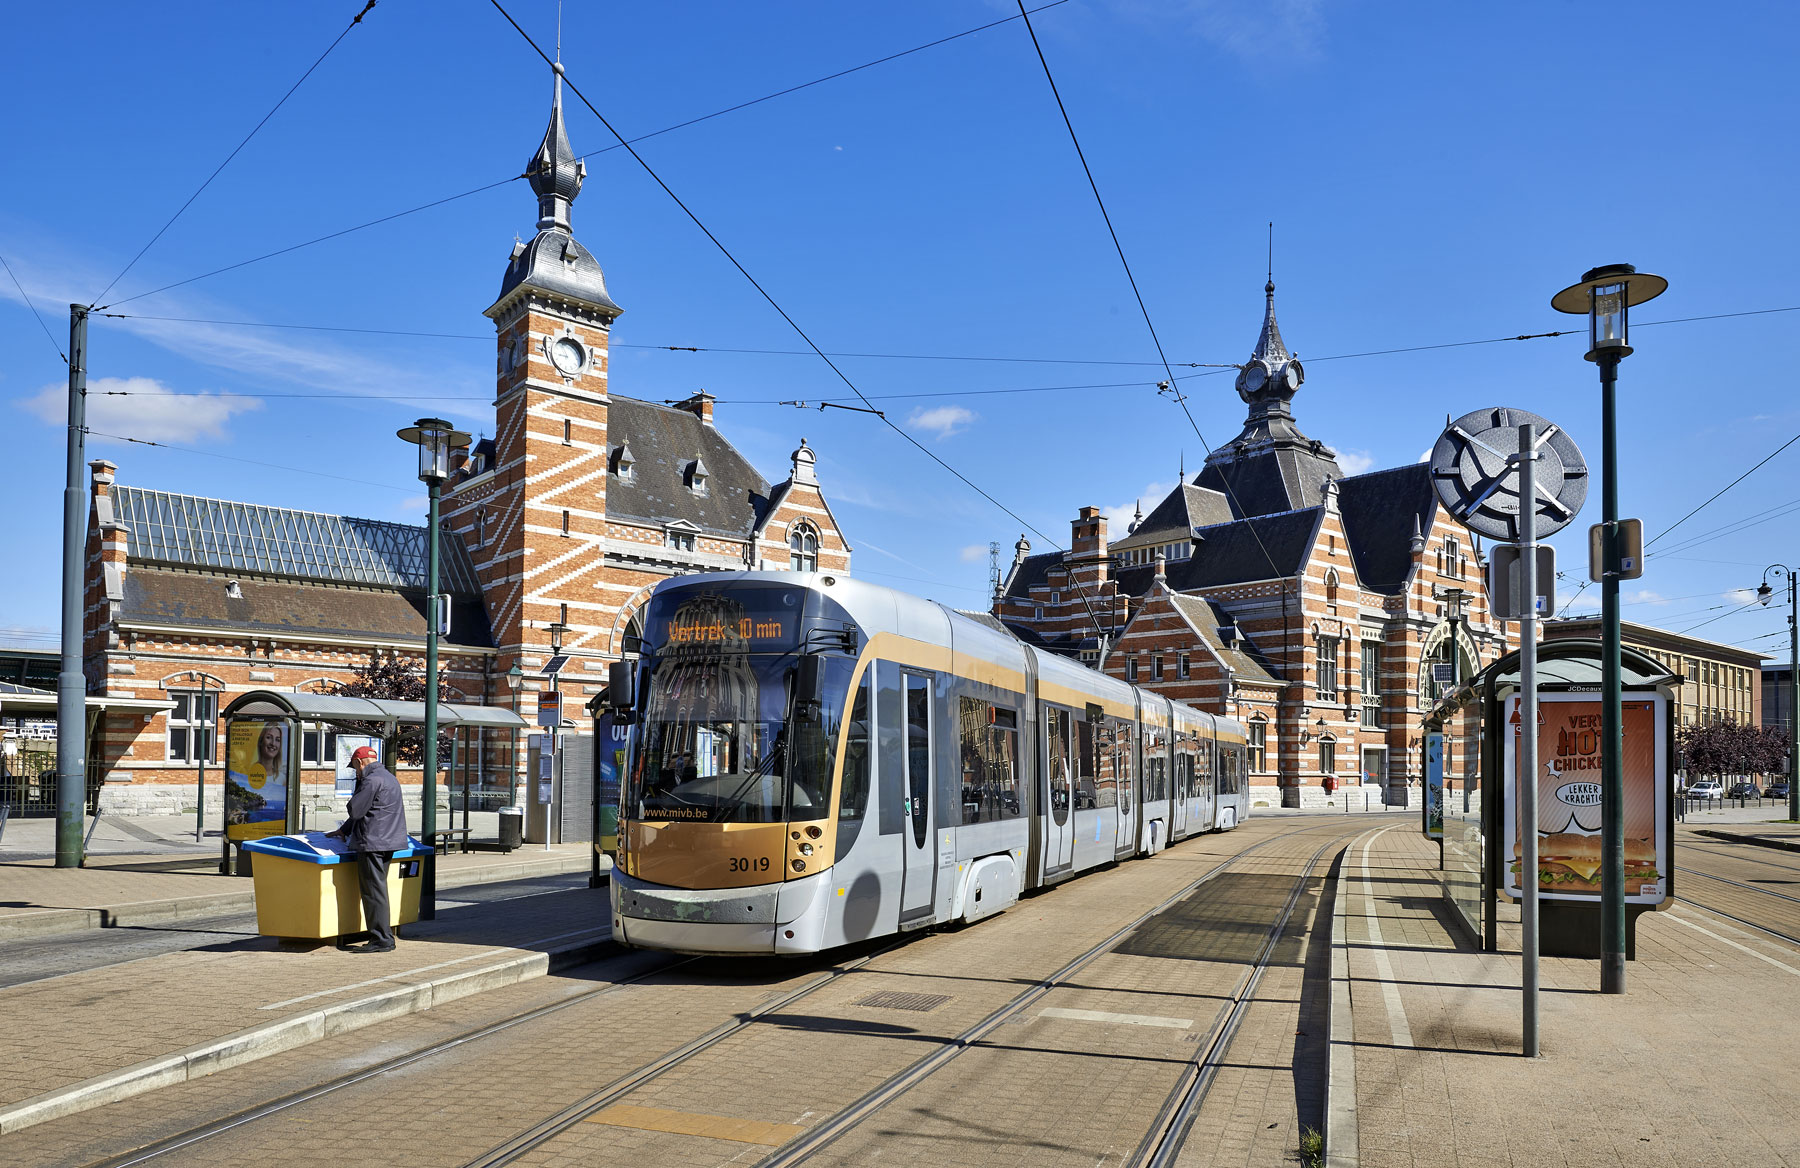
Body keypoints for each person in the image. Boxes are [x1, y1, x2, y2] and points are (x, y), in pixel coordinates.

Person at [328, 745, 408, 954]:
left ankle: (382, 939)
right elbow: (371, 811)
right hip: (387, 842)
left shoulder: (371, 780)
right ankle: (382, 935)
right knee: (378, 890)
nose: (355, 771)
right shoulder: (389, 777)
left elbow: (355, 810)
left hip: (373, 843)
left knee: (373, 892)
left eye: (354, 767)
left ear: (360, 762)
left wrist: (358, 785)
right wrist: (344, 830)